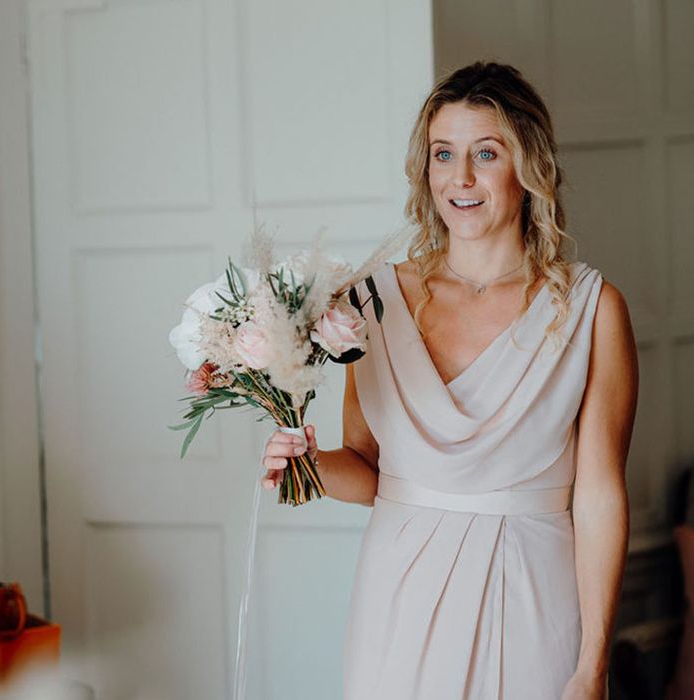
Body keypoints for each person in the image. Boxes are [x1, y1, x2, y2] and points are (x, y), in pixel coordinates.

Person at [260, 61, 638, 700]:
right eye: (443, 154)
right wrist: (307, 464)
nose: (460, 178)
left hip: (532, 598)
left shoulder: (591, 309)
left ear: (528, 167)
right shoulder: (370, 303)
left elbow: (600, 499)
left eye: (485, 153)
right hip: (399, 600)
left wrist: (592, 665)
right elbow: (367, 468)